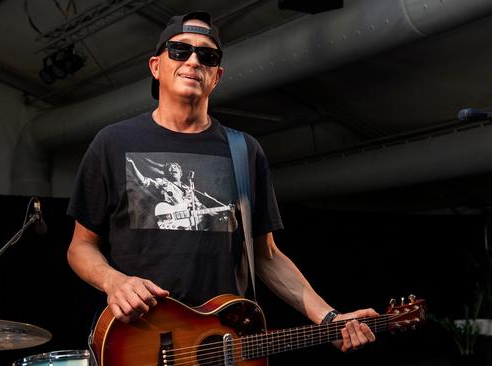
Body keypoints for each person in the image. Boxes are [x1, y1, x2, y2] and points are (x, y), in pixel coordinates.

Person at [66, 11, 377, 353]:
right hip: (139, 343)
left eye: (207, 55)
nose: (194, 60)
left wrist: (329, 318)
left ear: (217, 76)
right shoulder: (112, 143)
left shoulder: (244, 152)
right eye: (180, 51)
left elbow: (267, 256)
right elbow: (81, 247)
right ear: (156, 66)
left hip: (220, 344)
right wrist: (114, 281)